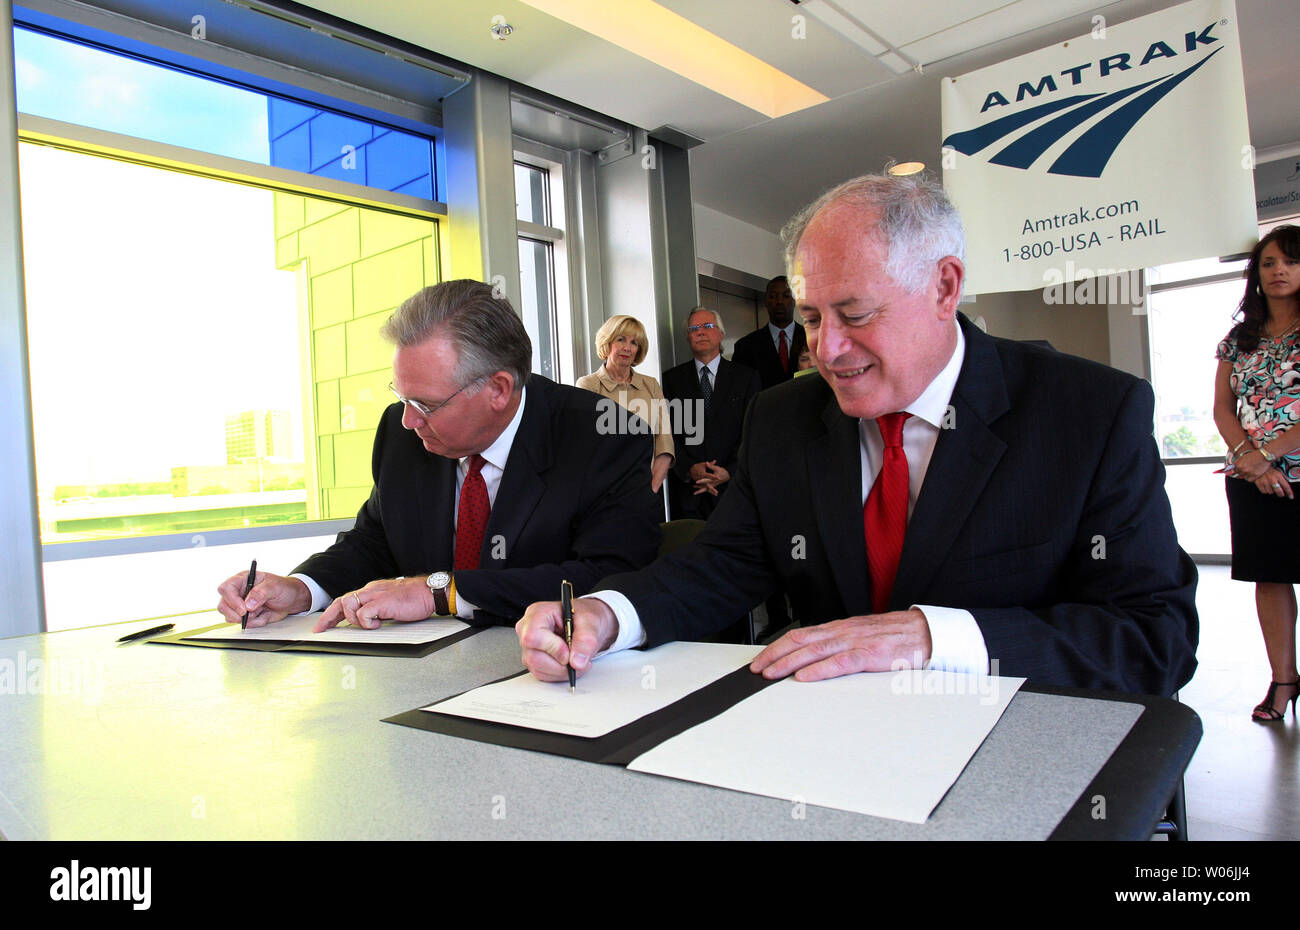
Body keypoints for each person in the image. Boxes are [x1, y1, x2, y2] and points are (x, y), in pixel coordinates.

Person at [517, 171, 1199, 697]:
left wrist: (935, 637)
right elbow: (722, 567)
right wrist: (610, 616)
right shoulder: (784, 417)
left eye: (856, 313)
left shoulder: (1090, 414)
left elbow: (1153, 639)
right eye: (812, 317)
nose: (829, 350)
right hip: (827, 753)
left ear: (943, 288)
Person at [216, 280, 660, 631]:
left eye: (425, 404)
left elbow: (610, 576)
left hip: (551, 676)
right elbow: (374, 542)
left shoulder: (605, 438)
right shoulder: (400, 431)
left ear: (498, 389)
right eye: (402, 396)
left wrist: (442, 592)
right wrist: (301, 588)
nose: (409, 420)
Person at [1213, 225, 1300, 722]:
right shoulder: (1237, 339)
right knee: (1270, 578)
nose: (1278, 270)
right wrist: (1250, 456)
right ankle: (1284, 682)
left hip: (1283, 466)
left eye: (1289, 261)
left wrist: (1267, 455)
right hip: (1250, 476)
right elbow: (1223, 409)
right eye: (1268, 263)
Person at [661, 307, 761, 519]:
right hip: (689, 494)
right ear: (688, 337)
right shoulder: (671, 380)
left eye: (707, 326)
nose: (701, 332)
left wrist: (730, 471)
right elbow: (666, 434)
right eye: (694, 328)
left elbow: (754, 432)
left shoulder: (746, 378)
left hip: (734, 491)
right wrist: (688, 469)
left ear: (721, 333)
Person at [576, 315, 674, 494]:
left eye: (634, 342)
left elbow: (664, 442)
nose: (627, 347)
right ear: (607, 342)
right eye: (621, 339)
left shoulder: (651, 385)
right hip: (605, 494)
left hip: (647, 491)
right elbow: (586, 448)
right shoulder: (588, 385)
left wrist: (650, 490)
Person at [732, 275, 808, 389]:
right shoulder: (745, 347)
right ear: (766, 302)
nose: (779, 301)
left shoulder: (813, 339)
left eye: (786, 296)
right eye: (773, 296)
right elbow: (739, 391)